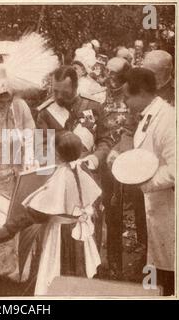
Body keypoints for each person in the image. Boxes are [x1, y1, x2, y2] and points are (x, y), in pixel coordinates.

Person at [0, 32, 58, 284]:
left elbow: (31, 136)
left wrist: (29, 163)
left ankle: (10, 268)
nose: (4, 102)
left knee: (13, 219)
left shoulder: (20, 108)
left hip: (15, 173)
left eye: (8, 96)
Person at [0, 131, 102, 295]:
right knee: (78, 268)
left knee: (58, 271)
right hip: (78, 230)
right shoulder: (81, 169)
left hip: (61, 234)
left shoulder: (60, 178)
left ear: (57, 154)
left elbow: (36, 214)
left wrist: (8, 229)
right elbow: (92, 197)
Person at [36, 65, 113, 269]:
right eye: (56, 91)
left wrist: (96, 158)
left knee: (90, 222)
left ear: (76, 86)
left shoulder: (93, 107)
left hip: (89, 175)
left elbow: (105, 140)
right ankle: (62, 273)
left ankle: (91, 269)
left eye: (65, 92)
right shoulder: (45, 113)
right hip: (60, 178)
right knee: (62, 228)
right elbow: (41, 147)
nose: (59, 96)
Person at [122, 68, 175, 295]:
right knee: (155, 269)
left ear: (141, 92)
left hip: (169, 210)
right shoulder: (148, 115)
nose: (124, 102)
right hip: (154, 210)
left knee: (169, 274)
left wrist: (144, 183)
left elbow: (175, 169)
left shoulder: (169, 119)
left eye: (126, 97)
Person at [99, 58, 146, 279]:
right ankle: (114, 264)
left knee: (141, 210)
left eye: (114, 73)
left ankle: (144, 259)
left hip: (132, 162)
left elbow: (134, 129)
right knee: (112, 213)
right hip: (108, 164)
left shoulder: (132, 100)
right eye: (107, 72)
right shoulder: (100, 97)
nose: (109, 77)